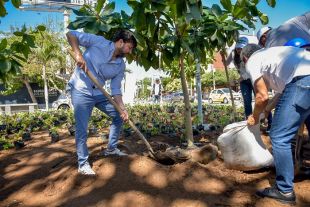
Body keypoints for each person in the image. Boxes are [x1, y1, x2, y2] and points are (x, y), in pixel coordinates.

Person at [241, 43, 310, 205]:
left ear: (245, 58)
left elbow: (262, 96)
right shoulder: (274, 55)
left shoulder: (253, 61)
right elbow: (281, 95)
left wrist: (255, 116)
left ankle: (284, 190)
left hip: (304, 80)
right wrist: (265, 112)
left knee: (279, 136)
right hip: (305, 79)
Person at [66, 30, 137, 175]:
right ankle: (83, 164)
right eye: (129, 47)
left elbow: (116, 89)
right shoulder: (98, 41)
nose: (129, 51)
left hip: (99, 93)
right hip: (81, 90)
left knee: (118, 115)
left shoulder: (120, 66)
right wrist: (78, 54)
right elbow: (70, 34)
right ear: (121, 42)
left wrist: (122, 109)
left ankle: (111, 149)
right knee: (82, 129)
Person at [226, 37, 272, 131]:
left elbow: (251, 70)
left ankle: (270, 123)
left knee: (262, 100)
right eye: (237, 48)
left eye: (241, 48)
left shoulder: (250, 55)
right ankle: (250, 124)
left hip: (254, 79)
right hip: (244, 82)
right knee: (247, 102)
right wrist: (227, 52)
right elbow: (226, 63)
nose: (239, 50)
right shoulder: (235, 55)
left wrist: (241, 78)